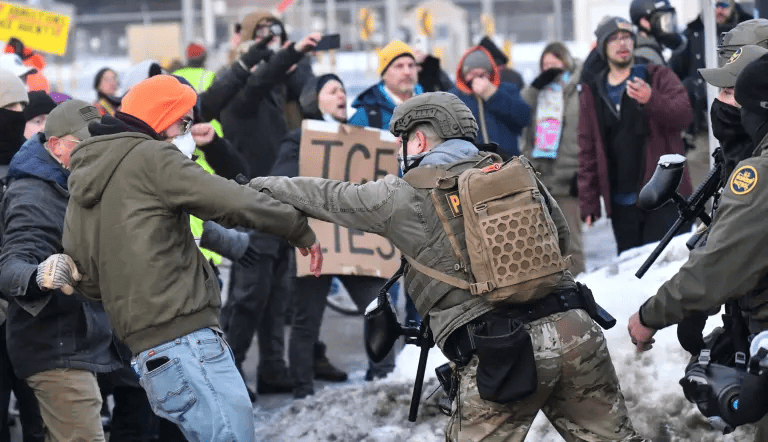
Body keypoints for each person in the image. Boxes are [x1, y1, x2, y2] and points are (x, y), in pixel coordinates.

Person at [249, 91, 648, 442]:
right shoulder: (514, 173)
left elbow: (329, 196)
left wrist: (259, 186)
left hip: (501, 351)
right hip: (575, 327)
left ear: (418, 139)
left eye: (401, 143)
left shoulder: (403, 194)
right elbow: (561, 239)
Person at [60, 75, 322, 442]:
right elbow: (230, 200)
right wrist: (297, 226)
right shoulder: (152, 156)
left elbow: (86, 280)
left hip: (146, 351)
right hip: (188, 338)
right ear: (161, 117)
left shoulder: (84, 178)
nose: (187, 130)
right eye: (183, 121)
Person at [628, 53, 768, 440]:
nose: (721, 104)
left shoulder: (760, 172)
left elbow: (721, 266)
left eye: (731, 92)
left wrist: (651, 314)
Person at [0, 99, 124, 442]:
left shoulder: (80, 180)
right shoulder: (33, 193)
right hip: (55, 345)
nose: (98, 152)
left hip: (83, 338)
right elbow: (11, 266)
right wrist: (41, 274)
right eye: (86, 144)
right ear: (55, 146)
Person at [271, 74, 396, 397]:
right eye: (333, 90)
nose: (342, 94)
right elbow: (279, 182)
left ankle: (384, 377)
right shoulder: (298, 139)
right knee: (306, 321)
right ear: (315, 100)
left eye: (343, 88)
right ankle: (303, 390)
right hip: (315, 244)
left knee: (378, 308)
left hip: (356, 244)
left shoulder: (366, 139)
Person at [578, 17, 693, 255]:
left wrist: (652, 99)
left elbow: (684, 114)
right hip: (622, 201)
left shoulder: (657, 75)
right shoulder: (593, 89)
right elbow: (587, 147)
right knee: (631, 272)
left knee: (663, 267)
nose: (623, 43)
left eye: (627, 37)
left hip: (662, 195)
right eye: (614, 38)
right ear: (602, 46)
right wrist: (589, 201)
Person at [0, 68, 45, 442]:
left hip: (31, 310)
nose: (16, 115)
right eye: (8, 107)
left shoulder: (31, 166)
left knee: (40, 418)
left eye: (21, 107)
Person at [670, 0, 753, 188]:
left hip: (743, 125)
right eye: (714, 4)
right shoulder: (692, 33)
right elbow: (672, 75)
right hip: (702, 128)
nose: (718, 10)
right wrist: (690, 89)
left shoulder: (752, 30)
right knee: (702, 187)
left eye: (723, 4)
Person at [521, 42, 585, 276]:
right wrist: (534, 88)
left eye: (554, 63)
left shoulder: (577, 88)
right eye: (544, 65)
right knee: (542, 247)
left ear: (565, 62)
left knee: (571, 245)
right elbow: (520, 113)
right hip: (541, 176)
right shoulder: (538, 92)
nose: (549, 69)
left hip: (568, 177)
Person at [450, 45, 531, 159]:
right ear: (464, 75)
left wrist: (493, 95)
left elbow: (524, 118)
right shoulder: (454, 97)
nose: (477, 79)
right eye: (472, 74)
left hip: (506, 160)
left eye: (482, 75)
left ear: (490, 74)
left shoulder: (507, 90)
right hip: (470, 162)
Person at [348, 40, 423, 129]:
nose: (407, 72)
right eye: (399, 66)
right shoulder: (364, 118)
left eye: (411, 65)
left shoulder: (432, 106)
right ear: (384, 74)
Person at [629, 0, 685, 67]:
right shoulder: (644, 56)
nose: (669, 25)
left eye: (671, 19)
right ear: (644, 22)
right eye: (665, 20)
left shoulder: (655, 50)